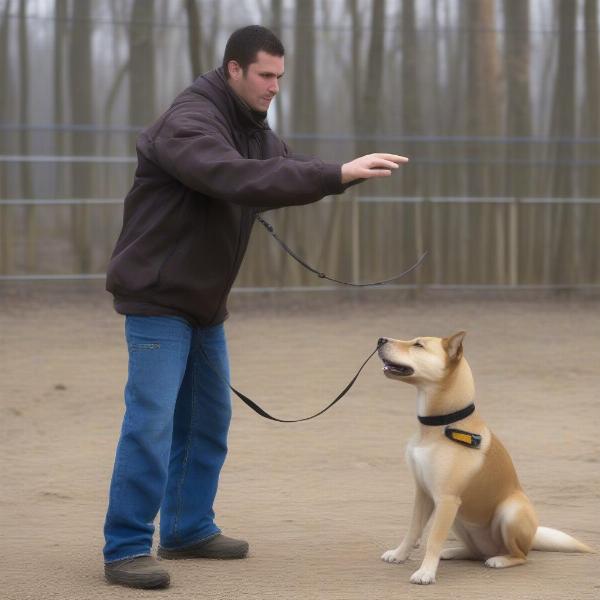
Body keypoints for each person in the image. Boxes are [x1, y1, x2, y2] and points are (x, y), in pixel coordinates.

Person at [102, 24, 408, 589]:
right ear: (233, 69)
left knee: (209, 420)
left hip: (204, 304)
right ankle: (124, 548)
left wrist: (340, 175)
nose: (274, 87)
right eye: (265, 75)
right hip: (158, 298)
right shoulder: (190, 122)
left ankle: (188, 528)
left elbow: (277, 170)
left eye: (280, 77)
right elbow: (231, 174)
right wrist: (334, 174)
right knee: (151, 424)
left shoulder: (253, 130)